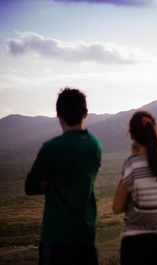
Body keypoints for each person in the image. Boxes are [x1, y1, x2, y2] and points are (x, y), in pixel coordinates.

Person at [25, 88, 102, 265]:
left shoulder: (52, 147)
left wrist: (51, 183)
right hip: (86, 235)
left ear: (58, 114)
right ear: (86, 113)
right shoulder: (95, 145)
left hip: (56, 236)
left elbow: (30, 186)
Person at [112, 110, 157, 265]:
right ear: (155, 129)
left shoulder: (132, 165)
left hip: (135, 243)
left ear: (131, 135)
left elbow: (116, 207)